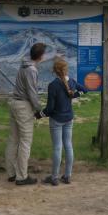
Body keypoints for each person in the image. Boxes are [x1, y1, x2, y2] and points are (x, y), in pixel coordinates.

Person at [37, 57, 86, 186]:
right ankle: (67, 175)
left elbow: (50, 109)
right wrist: (74, 95)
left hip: (56, 120)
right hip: (69, 118)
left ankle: (54, 177)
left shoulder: (53, 85)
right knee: (68, 145)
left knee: (57, 147)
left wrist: (38, 115)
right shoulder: (73, 82)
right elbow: (84, 90)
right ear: (66, 70)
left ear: (54, 71)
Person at [5, 42, 46, 185]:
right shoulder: (32, 70)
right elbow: (32, 92)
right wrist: (39, 109)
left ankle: (11, 173)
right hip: (23, 106)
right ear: (40, 56)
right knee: (25, 142)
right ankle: (21, 176)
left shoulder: (23, 65)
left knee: (13, 139)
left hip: (15, 103)